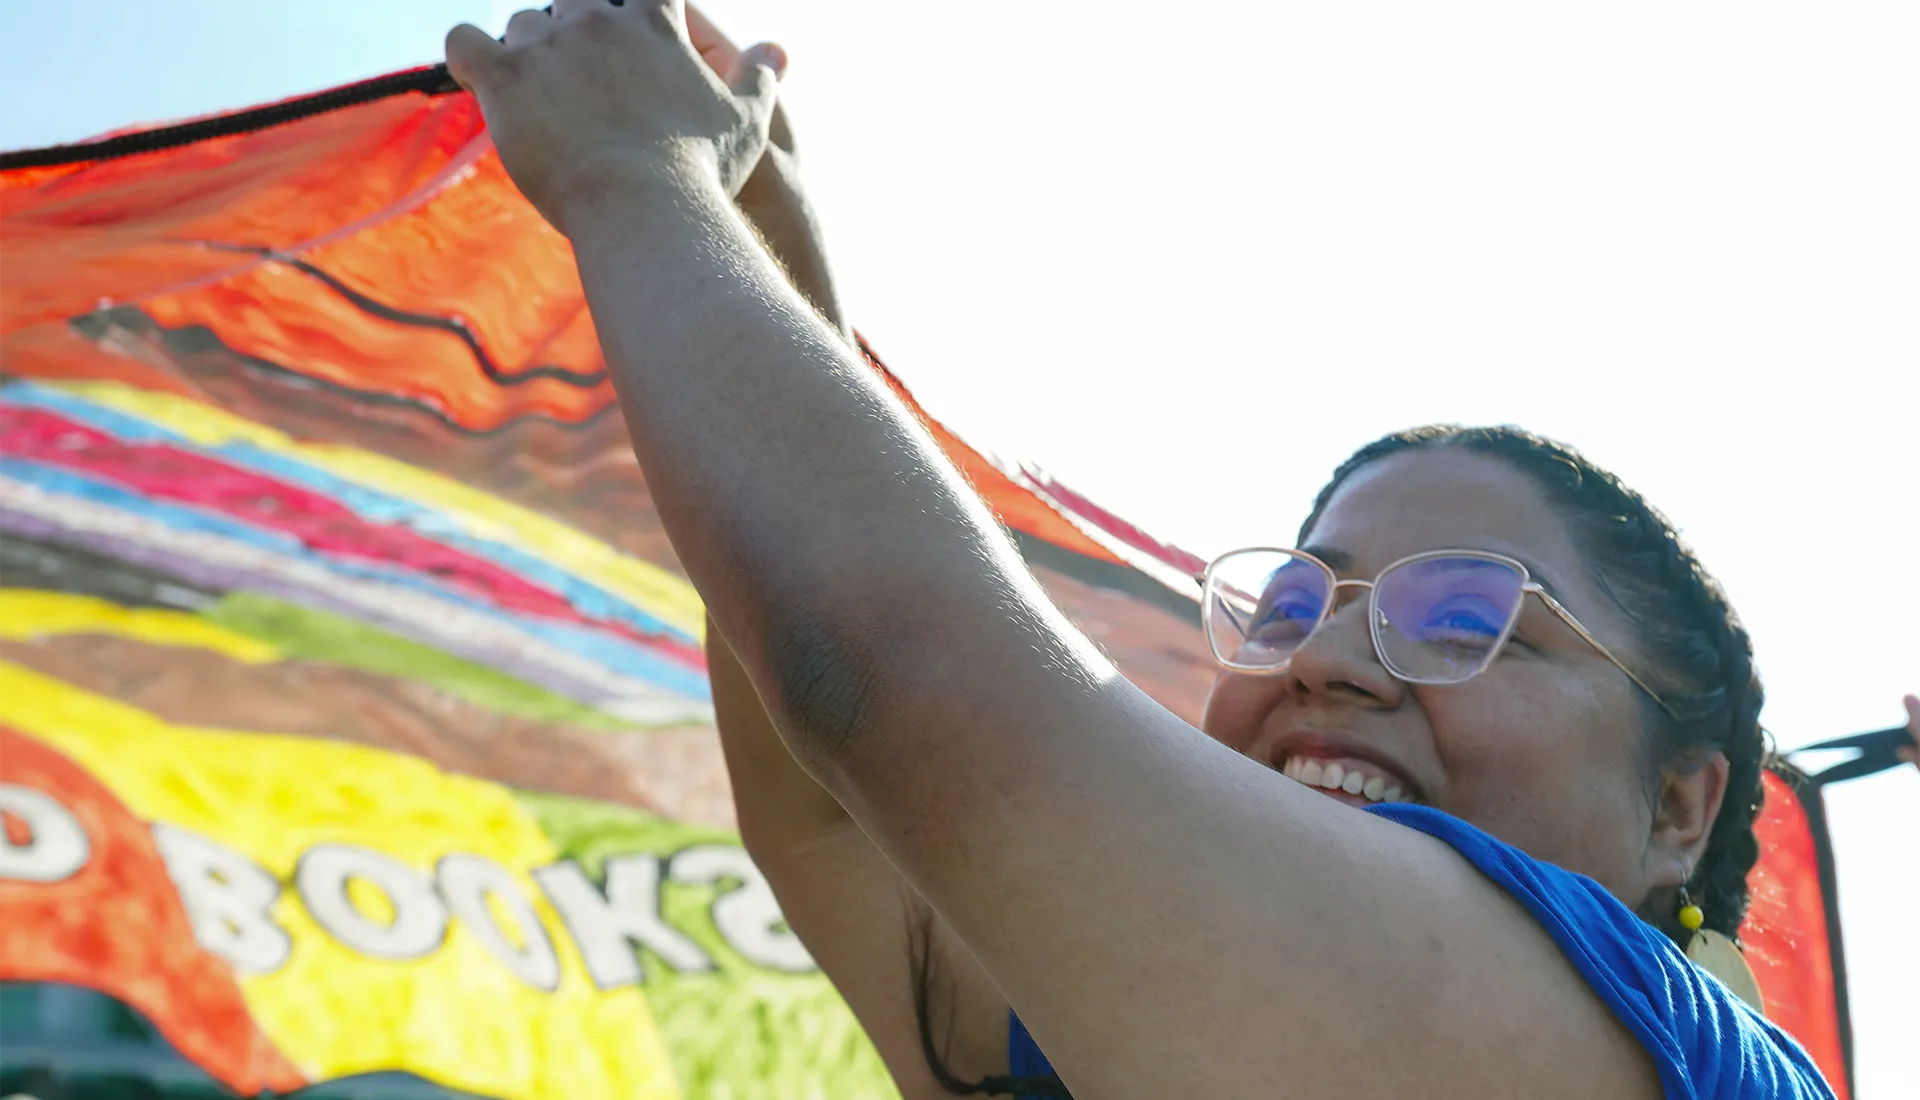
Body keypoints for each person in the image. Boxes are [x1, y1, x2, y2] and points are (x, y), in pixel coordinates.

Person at [443, 4, 1850, 1096]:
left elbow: (894, 691)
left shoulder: (1677, 1052)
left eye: (1463, 616)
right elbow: (844, 812)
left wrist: (636, 175)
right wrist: (773, 245)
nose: (1328, 663)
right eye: (1297, 601)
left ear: (1678, 807)